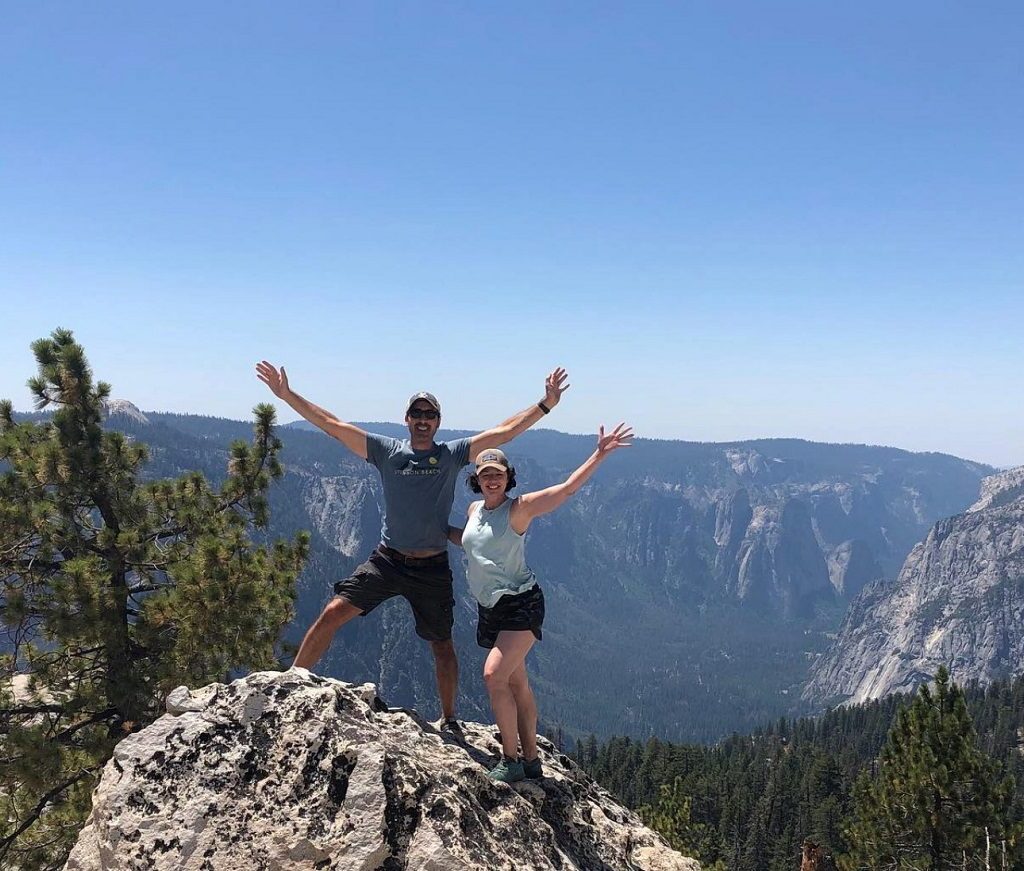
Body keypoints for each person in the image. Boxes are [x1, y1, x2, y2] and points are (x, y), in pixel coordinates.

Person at [255, 361, 569, 727]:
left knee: (442, 645)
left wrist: (545, 405)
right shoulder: (387, 452)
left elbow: (504, 433)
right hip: (387, 560)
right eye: (417, 413)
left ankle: (449, 720)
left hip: (432, 566)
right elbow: (333, 427)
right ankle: (294, 682)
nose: (423, 419)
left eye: (430, 414)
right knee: (333, 612)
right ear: (407, 419)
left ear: (438, 422)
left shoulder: (451, 455)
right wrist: (286, 394)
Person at [449, 423, 633, 781]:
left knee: (493, 675)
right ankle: (532, 760)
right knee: (517, 684)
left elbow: (565, 490)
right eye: (485, 474)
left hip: (522, 605)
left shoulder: (519, 509)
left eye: (498, 474)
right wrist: (436, 530)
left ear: (508, 478)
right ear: (477, 479)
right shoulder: (474, 511)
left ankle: (511, 760)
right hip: (491, 610)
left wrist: (599, 454)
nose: (492, 480)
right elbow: (471, 543)